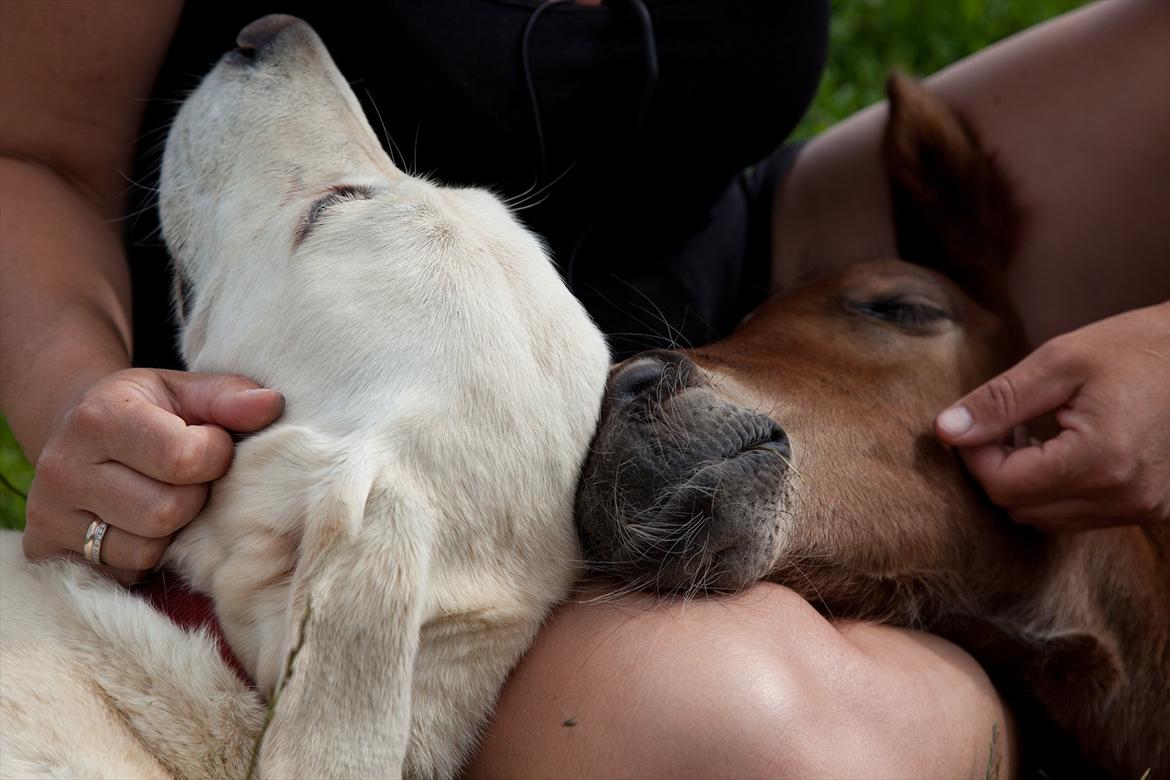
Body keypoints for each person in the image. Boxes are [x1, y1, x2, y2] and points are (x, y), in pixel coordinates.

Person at [0, 0, 1166, 776]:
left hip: (727, 274)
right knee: (752, 733)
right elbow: (29, 147)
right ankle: (1043, 674)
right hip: (416, 420)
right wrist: (83, 400)